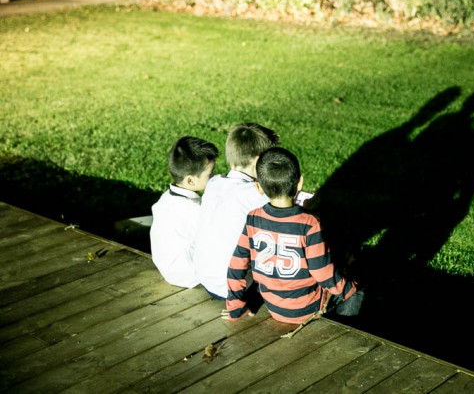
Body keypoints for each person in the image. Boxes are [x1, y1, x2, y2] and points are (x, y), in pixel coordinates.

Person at [222, 147, 361, 325]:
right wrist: (350, 289)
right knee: (357, 289)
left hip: (274, 307)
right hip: (308, 310)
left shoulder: (253, 219)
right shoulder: (310, 223)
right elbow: (323, 274)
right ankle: (346, 326)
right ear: (300, 183)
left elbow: (236, 266)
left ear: (259, 187)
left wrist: (235, 307)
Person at [193, 122, 280, 300]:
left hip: (205, 278)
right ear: (258, 161)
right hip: (235, 288)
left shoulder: (214, 183)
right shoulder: (255, 194)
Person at [150, 136, 219, 288]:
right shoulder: (193, 211)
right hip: (189, 275)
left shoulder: (166, 199)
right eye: (210, 174)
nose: (214, 177)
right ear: (190, 181)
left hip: (169, 269)